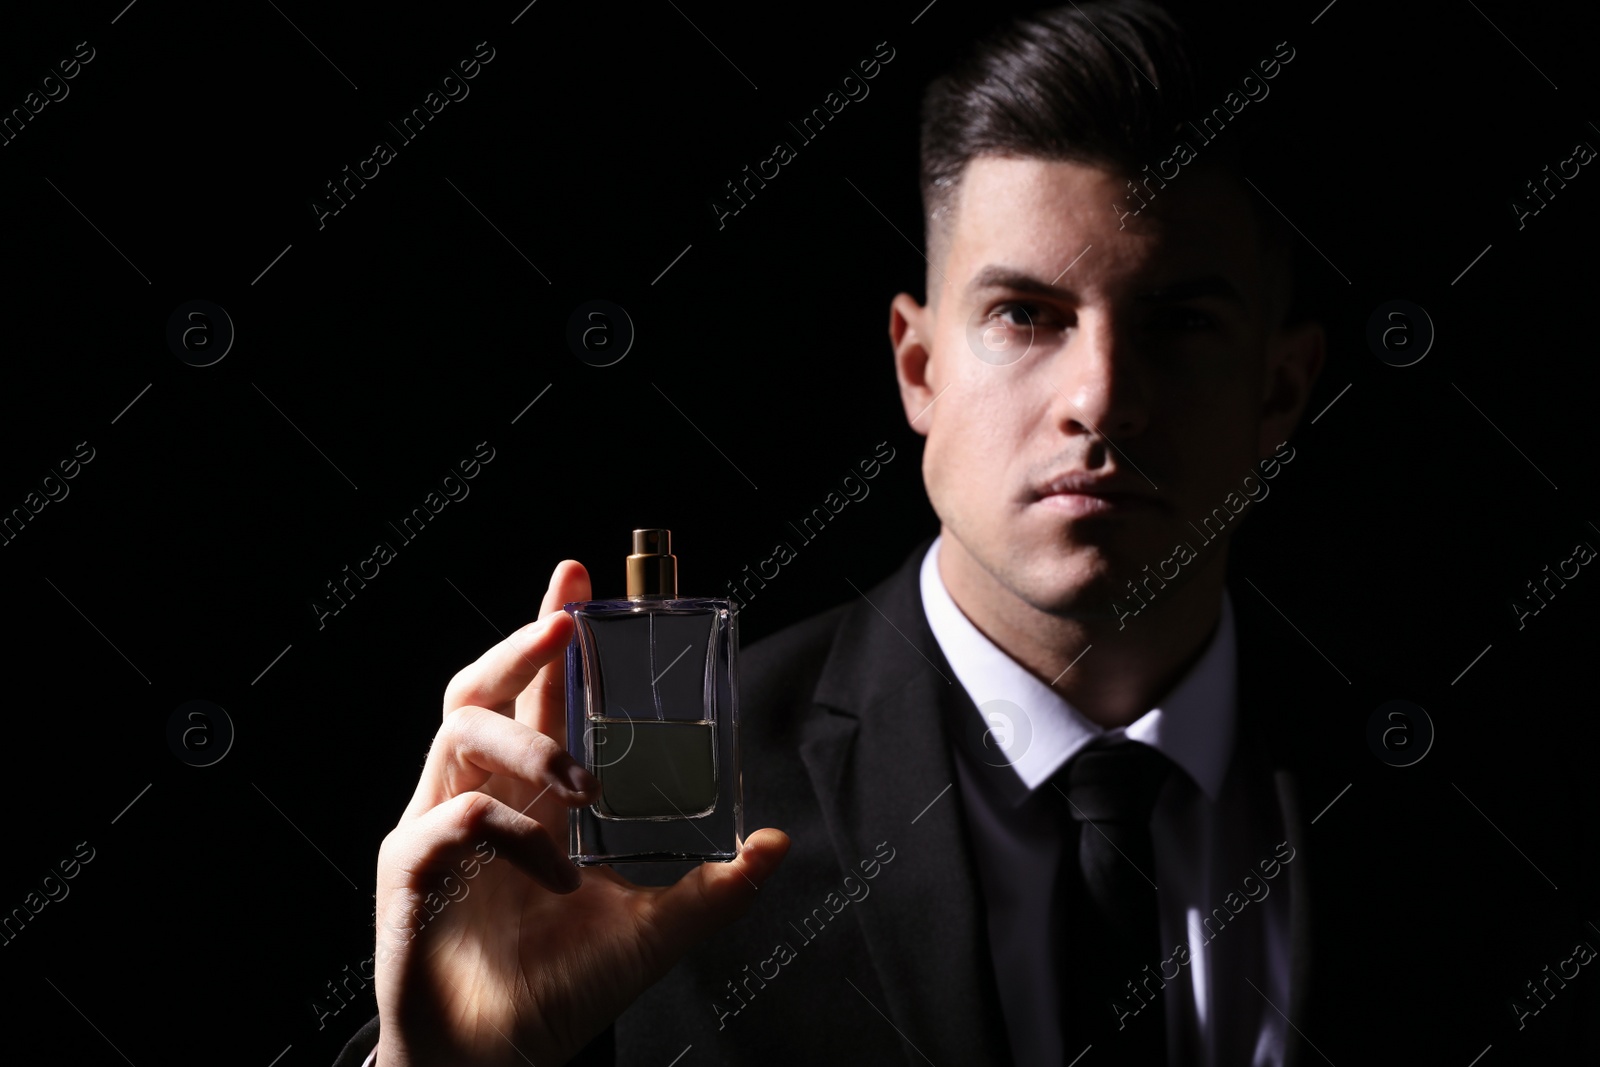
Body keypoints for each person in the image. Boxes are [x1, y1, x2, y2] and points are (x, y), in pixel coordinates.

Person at [333, 3, 1590, 1064]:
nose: (1101, 396)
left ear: (1281, 389)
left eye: (1181, 321)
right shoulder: (648, 830)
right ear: (919, 366)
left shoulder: (1495, 812)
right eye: (1028, 314)